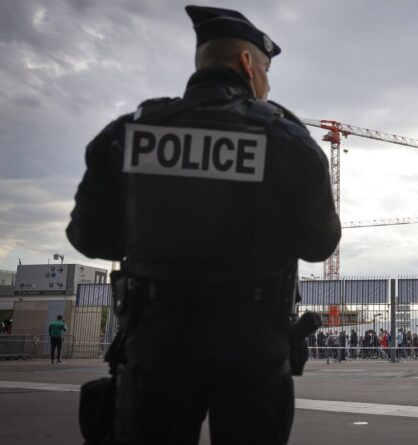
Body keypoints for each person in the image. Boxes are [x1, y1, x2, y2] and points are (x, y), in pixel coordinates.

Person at [66, 5, 340, 444]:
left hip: (155, 346)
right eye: (267, 70)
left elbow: (88, 236)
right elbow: (319, 244)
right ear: (248, 65)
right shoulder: (286, 140)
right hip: (254, 350)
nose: (267, 83)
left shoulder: (130, 134)